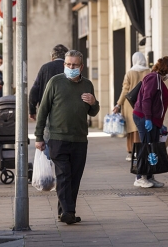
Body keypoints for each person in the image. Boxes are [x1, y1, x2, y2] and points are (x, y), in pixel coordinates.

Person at [34, 50, 100, 225]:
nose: (71, 67)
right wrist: (39, 136)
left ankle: (63, 211)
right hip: (58, 138)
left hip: (79, 139)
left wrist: (94, 103)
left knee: (74, 178)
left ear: (81, 66)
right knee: (63, 175)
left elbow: (93, 112)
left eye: (75, 65)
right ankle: (69, 212)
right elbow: (43, 110)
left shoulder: (87, 85)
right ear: (64, 65)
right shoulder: (55, 82)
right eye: (68, 64)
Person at [133, 56, 168, 188]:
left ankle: (150, 176)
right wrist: (148, 118)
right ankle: (140, 177)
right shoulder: (153, 78)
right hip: (144, 118)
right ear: (165, 68)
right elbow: (147, 99)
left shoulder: (158, 80)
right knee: (146, 145)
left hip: (152, 119)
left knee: (153, 147)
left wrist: (158, 122)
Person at [113, 52, 150, 161]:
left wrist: (118, 104)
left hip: (130, 104)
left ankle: (131, 152)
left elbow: (125, 90)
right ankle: (141, 150)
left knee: (131, 128)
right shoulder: (149, 72)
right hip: (143, 103)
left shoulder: (130, 73)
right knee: (141, 128)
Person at [29, 44, 69, 122]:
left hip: (47, 111)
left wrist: (32, 110)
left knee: (48, 133)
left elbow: (34, 90)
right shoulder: (70, 68)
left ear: (52, 58)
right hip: (66, 111)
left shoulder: (45, 68)